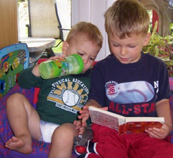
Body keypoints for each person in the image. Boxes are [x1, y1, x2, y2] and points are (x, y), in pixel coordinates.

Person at [78, 0, 173, 158]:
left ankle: (97, 150)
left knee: (172, 154)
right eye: (115, 44)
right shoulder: (102, 68)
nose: (123, 52)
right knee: (108, 142)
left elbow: (162, 100)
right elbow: (96, 99)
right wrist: (90, 109)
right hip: (113, 132)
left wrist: (167, 127)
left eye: (131, 46)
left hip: (146, 134)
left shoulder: (157, 68)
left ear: (146, 39)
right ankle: (96, 149)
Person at [5, 21, 103, 158]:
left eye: (91, 58)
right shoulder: (53, 68)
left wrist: (84, 126)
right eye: (80, 54)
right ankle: (24, 138)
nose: (85, 61)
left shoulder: (93, 78)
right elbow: (23, 82)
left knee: (65, 133)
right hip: (38, 125)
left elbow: (96, 105)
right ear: (65, 48)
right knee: (14, 99)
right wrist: (38, 69)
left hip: (68, 131)